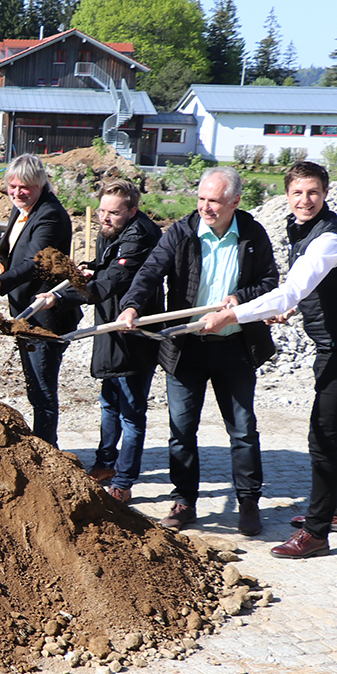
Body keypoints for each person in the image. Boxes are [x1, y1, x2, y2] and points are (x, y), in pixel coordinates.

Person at [196, 161, 337, 557]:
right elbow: (303, 290)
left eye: (313, 192)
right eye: (297, 192)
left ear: (326, 194)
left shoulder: (328, 239)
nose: (305, 200)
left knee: (323, 434)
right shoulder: (301, 230)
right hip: (334, 344)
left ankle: (316, 534)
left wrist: (233, 314)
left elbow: (292, 288)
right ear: (287, 195)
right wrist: (289, 306)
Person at [118, 166, 279, 535]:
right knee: (181, 430)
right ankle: (185, 501)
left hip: (235, 346)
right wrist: (132, 306)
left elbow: (269, 281)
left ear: (235, 201)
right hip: (185, 348)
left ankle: (248, 501)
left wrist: (239, 298)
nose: (206, 207)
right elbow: (148, 273)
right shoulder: (181, 232)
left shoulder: (252, 234)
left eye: (215, 201)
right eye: (202, 198)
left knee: (242, 430)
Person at [59, 179, 163, 503]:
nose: (105, 218)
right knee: (109, 402)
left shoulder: (140, 236)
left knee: (131, 412)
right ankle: (105, 463)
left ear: (132, 211)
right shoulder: (114, 230)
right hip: (110, 328)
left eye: (113, 213)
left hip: (133, 334)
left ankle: (124, 479)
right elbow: (107, 268)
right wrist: (91, 268)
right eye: (102, 211)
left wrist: (66, 295)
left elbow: (116, 278)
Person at [0, 153, 80, 446]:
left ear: (41, 184)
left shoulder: (50, 215)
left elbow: (36, 262)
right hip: (25, 311)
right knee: (34, 387)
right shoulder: (22, 210)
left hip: (45, 314)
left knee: (42, 390)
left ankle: (46, 449)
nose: (17, 193)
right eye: (12, 186)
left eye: (25, 187)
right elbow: (9, 251)